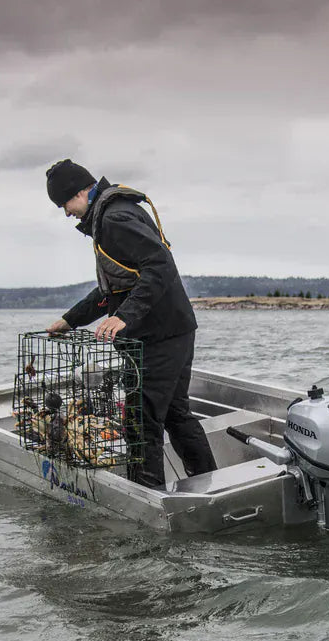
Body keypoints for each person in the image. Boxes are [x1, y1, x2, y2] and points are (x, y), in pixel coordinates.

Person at [43, 159, 217, 490]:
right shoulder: (112, 213)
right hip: (174, 329)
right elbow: (117, 286)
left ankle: (149, 501)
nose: (66, 213)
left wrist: (124, 316)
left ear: (82, 191)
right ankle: (212, 484)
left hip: (158, 337)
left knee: (140, 421)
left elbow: (159, 266)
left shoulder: (113, 218)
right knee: (176, 413)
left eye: (65, 203)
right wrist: (71, 319)